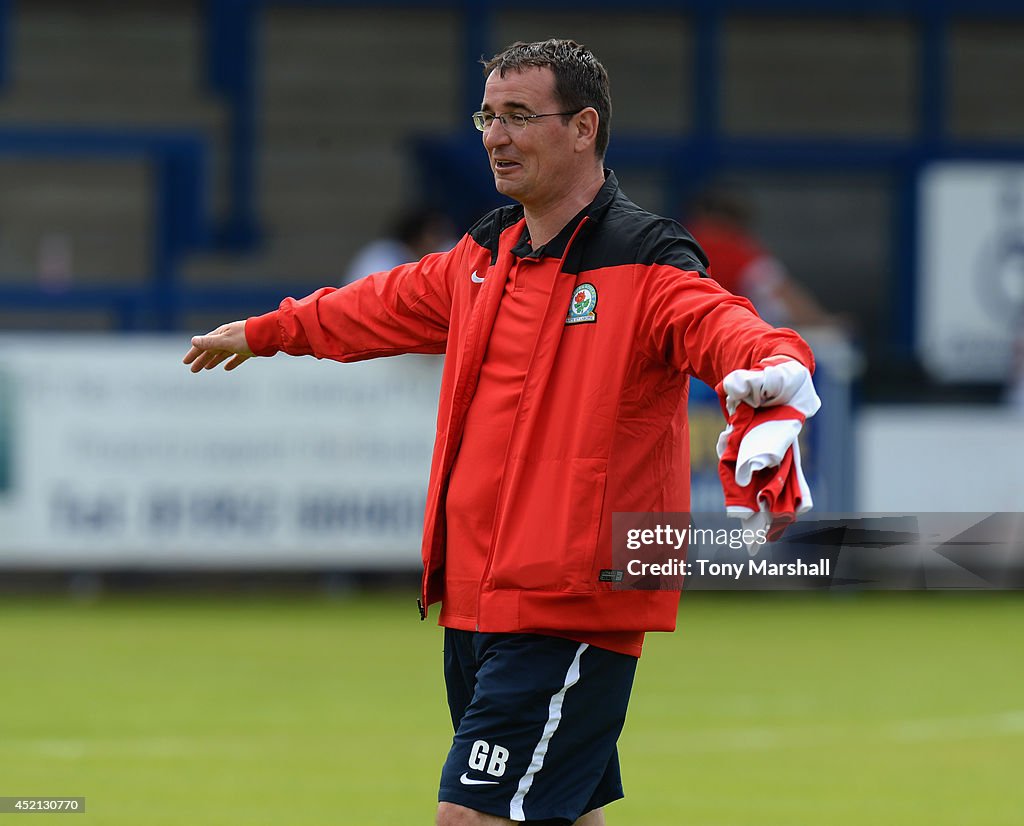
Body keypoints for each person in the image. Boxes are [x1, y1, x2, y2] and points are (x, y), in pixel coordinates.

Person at [184, 39, 818, 826]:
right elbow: (370, 307)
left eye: (520, 116)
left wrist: (773, 371)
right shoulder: (484, 254)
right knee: (559, 813)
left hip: (569, 604)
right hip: (478, 603)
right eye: (488, 115)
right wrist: (264, 330)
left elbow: (731, 330)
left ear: (584, 128)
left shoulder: (645, 260)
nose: (495, 135)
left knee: (471, 817)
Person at [684, 185, 838, 329]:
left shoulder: (674, 243)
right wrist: (823, 322)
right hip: (725, 337)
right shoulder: (738, 253)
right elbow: (789, 301)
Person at [343, 205, 456, 286]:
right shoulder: (381, 256)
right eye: (436, 233)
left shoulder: (443, 253)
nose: (443, 239)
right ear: (417, 235)